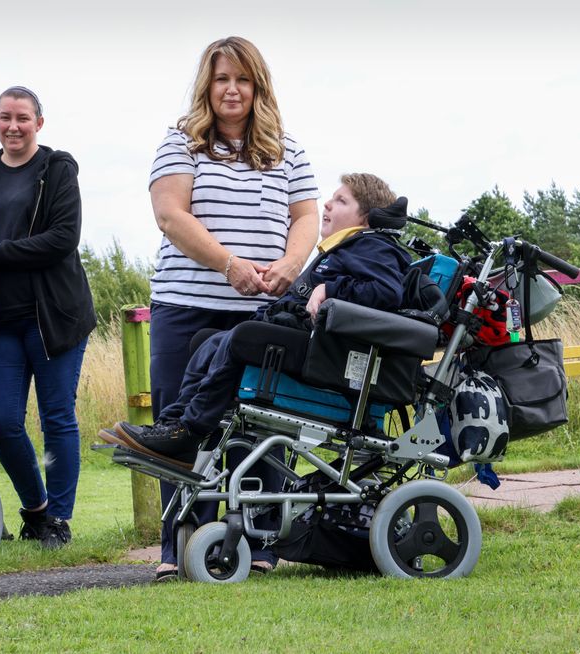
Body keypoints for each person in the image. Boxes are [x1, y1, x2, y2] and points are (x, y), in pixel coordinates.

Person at [146, 36, 321, 580]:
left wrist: (291, 266)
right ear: (208, 85)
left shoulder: (289, 151)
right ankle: (182, 548)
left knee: (266, 424)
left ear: (257, 87)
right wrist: (229, 264)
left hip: (263, 312)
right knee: (182, 422)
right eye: (222, 78)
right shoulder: (180, 143)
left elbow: (307, 219)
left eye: (242, 79)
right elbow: (171, 215)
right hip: (187, 306)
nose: (232, 89)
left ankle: (260, 544)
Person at [103, 173, 410, 477]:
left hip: (331, 356)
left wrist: (329, 290)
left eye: (341, 200)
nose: (327, 204)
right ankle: (173, 427)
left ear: (367, 219)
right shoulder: (345, 249)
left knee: (243, 337)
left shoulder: (375, 246)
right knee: (208, 340)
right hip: (308, 339)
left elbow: (386, 293)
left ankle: (191, 430)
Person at [0, 86, 96, 550]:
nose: (13, 126)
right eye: (4, 117)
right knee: (2, 421)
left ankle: (59, 519)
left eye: (22, 118)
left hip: (53, 317)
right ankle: (35, 510)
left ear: (39, 122)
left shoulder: (58, 169)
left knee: (57, 417)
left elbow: (62, 239)